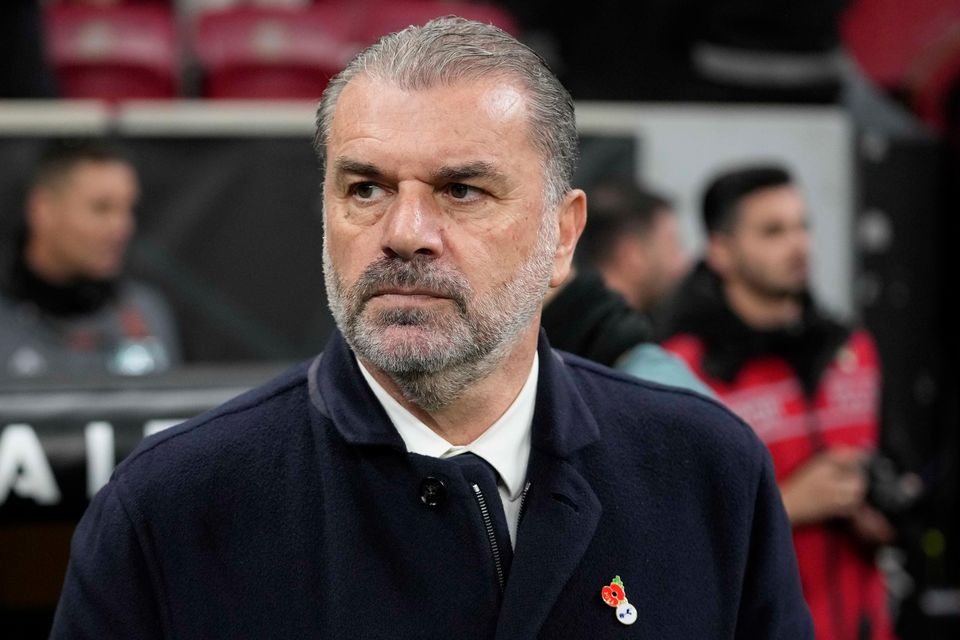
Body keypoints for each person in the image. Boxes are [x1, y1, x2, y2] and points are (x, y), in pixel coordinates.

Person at [52, 18, 812, 638]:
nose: (404, 231)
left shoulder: (708, 473)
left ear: (563, 236)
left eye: (461, 189)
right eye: (366, 187)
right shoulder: (169, 511)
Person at [656, 165, 895, 640]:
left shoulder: (853, 349)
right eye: (773, 231)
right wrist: (788, 504)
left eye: (803, 226)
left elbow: (903, 475)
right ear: (721, 252)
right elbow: (668, 533)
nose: (799, 245)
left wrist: (883, 514)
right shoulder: (680, 369)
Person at [0, 139, 180, 377]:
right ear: (42, 208)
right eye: (101, 208)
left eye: (128, 209)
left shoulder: (146, 312)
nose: (121, 227)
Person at [541, 180, 709, 394]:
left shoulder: (546, 350)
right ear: (633, 255)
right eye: (673, 244)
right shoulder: (653, 377)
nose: (683, 262)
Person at [576, 180, 689, 315]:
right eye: (671, 246)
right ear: (633, 255)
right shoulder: (620, 333)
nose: (684, 263)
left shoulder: (566, 321)